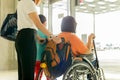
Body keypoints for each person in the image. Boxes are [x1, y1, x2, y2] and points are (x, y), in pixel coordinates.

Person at [15, 0, 61, 80]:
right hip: (28, 38)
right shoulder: (29, 2)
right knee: (28, 72)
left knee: (23, 73)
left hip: (21, 37)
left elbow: (28, 24)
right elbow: (38, 24)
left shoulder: (21, 3)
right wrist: (52, 36)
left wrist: (38, 37)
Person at [34, 14, 49, 80]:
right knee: (47, 73)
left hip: (35, 58)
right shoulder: (45, 31)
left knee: (38, 74)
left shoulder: (35, 31)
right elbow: (49, 40)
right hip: (43, 58)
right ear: (44, 22)